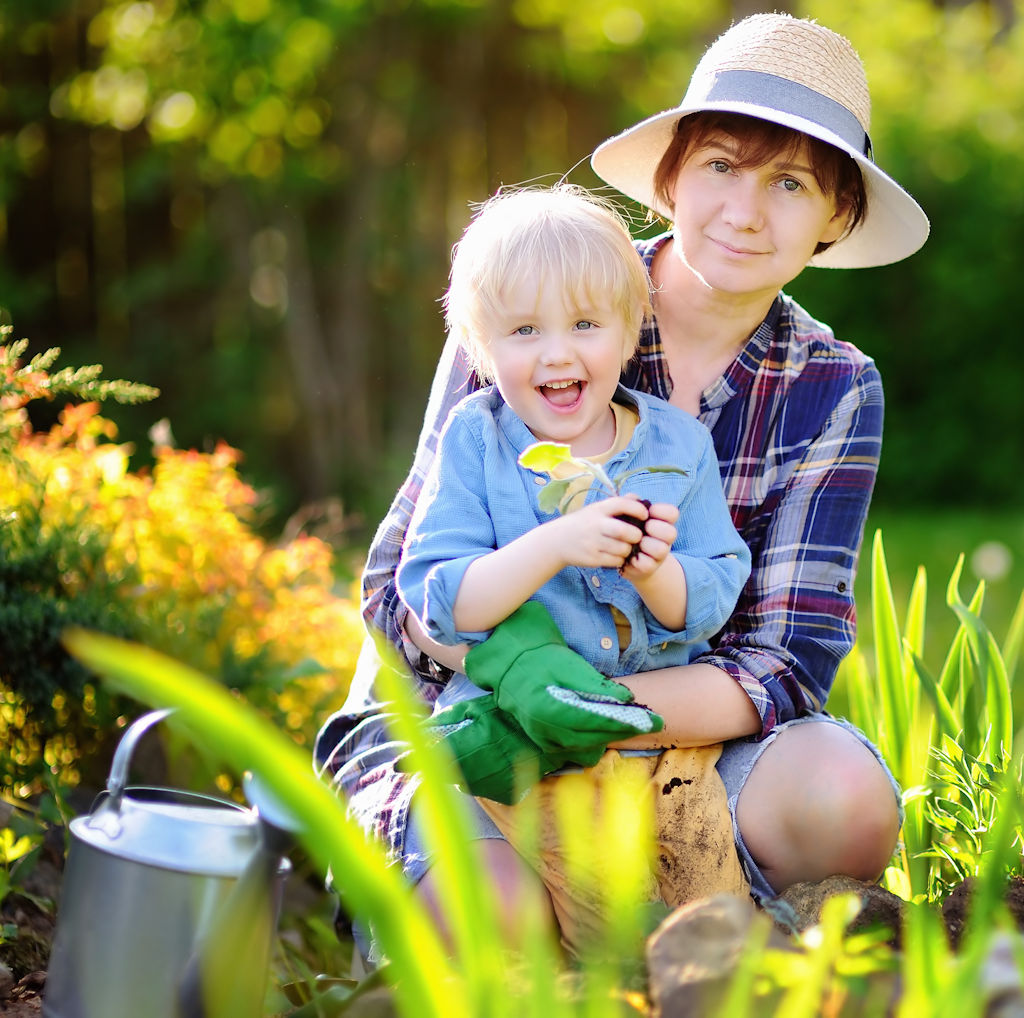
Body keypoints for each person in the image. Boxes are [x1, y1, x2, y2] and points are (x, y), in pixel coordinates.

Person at [315, 11, 930, 960]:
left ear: (835, 218)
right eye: (722, 164)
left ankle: (695, 935)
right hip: (469, 713)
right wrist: (527, 680)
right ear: (672, 175)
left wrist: (598, 709)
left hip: (678, 734)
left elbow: (787, 659)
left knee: (842, 799)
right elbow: (400, 585)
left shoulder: (833, 386)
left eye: (791, 182)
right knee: (493, 929)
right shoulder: (538, 299)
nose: (745, 210)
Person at [396, 185, 751, 738]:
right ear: (482, 346)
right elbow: (441, 601)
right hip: (509, 731)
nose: (557, 352)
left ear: (630, 328)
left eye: (585, 325)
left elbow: (713, 602)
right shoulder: (477, 436)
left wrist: (654, 572)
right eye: (524, 330)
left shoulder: (680, 445)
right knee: (476, 824)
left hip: (655, 741)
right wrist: (557, 544)